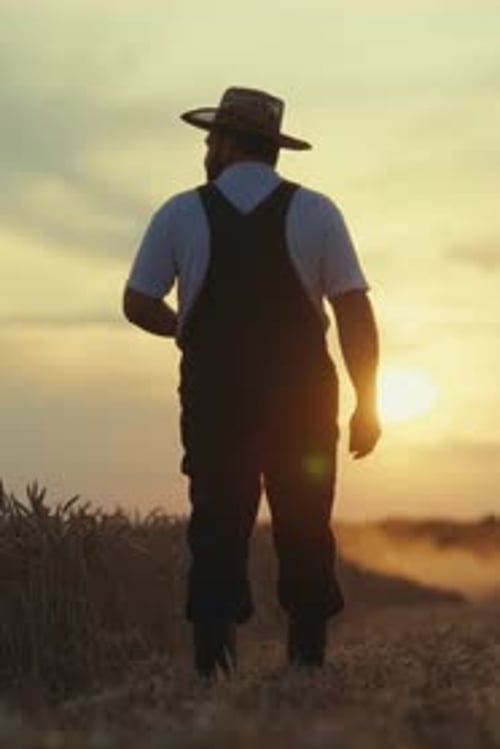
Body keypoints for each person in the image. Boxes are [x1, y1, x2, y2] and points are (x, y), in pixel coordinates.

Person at [123, 86, 381, 680]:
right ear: (273, 148)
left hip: (216, 396)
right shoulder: (318, 212)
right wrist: (369, 401)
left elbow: (138, 301)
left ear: (230, 142)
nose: (207, 147)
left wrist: (184, 329)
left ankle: (214, 671)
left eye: (212, 138)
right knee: (305, 520)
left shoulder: (180, 212)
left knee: (217, 521)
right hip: (303, 395)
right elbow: (353, 313)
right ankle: (306, 667)